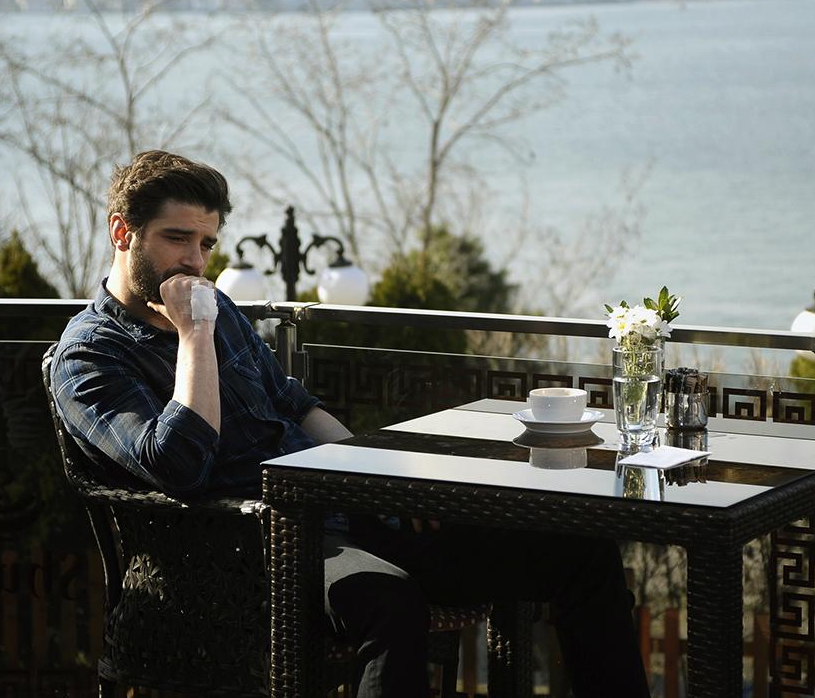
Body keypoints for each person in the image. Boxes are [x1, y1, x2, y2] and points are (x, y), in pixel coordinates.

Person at [51, 150, 651, 698]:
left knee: (579, 551)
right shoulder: (91, 355)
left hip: (344, 512)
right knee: (392, 605)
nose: (195, 260)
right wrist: (194, 335)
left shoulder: (218, 309)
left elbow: (295, 405)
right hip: (252, 546)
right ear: (123, 233)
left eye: (206, 243)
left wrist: (383, 483)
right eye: (177, 238)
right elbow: (178, 464)